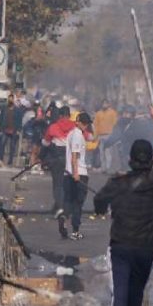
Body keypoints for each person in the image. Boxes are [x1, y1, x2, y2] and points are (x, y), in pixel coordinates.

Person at [92, 107, 153, 306]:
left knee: (121, 293)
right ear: (149, 160)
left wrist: (103, 208)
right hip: (145, 247)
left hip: (121, 246)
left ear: (130, 159)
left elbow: (99, 200)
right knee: (136, 294)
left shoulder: (118, 182)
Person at [58, 112, 93, 240]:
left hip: (68, 173)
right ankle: (75, 231)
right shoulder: (78, 135)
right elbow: (74, 156)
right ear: (85, 123)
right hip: (78, 173)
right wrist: (76, 173)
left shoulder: (71, 133)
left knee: (68, 200)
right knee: (78, 203)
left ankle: (64, 217)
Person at [42, 106, 75, 213]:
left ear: (59, 116)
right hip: (71, 158)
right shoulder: (75, 127)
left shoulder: (53, 127)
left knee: (58, 183)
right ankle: (63, 206)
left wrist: (41, 157)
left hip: (57, 158)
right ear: (69, 116)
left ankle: (60, 207)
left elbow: (45, 143)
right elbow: (88, 138)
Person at [94, 100, 119, 171]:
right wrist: (95, 136)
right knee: (101, 153)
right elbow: (96, 125)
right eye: (103, 104)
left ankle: (108, 167)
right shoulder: (98, 114)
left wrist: (114, 136)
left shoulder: (112, 113)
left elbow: (115, 124)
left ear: (108, 104)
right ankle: (103, 168)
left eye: (106, 103)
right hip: (100, 136)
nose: (104, 105)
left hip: (109, 135)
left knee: (108, 153)